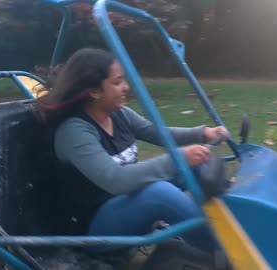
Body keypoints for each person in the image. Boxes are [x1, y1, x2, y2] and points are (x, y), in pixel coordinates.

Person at [36, 48, 229, 253]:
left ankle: (239, 227)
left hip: (125, 202)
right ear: (94, 90)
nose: (125, 87)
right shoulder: (74, 131)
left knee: (201, 165)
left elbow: (155, 132)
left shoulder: (118, 114)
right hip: (93, 229)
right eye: (117, 82)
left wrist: (202, 133)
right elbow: (117, 180)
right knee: (159, 193)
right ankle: (229, 254)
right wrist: (178, 158)